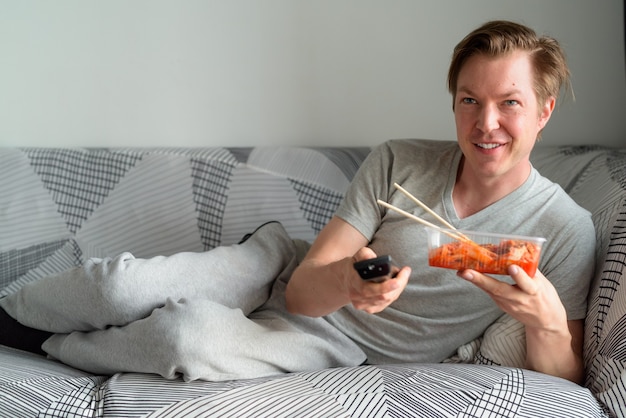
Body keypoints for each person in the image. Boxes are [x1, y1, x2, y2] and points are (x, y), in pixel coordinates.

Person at [0, 20, 594, 384]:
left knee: (186, 340)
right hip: (283, 266)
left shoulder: (566, 229)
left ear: (543, 111)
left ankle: (44, 343)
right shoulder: (401, 161)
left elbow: (567, 377)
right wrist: (350, 282)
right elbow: (309, 289)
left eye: (509, 103)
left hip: (335, 344)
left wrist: (543, 319)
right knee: (118, 289)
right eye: (469, 100)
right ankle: (12, 307)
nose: (485, 123)